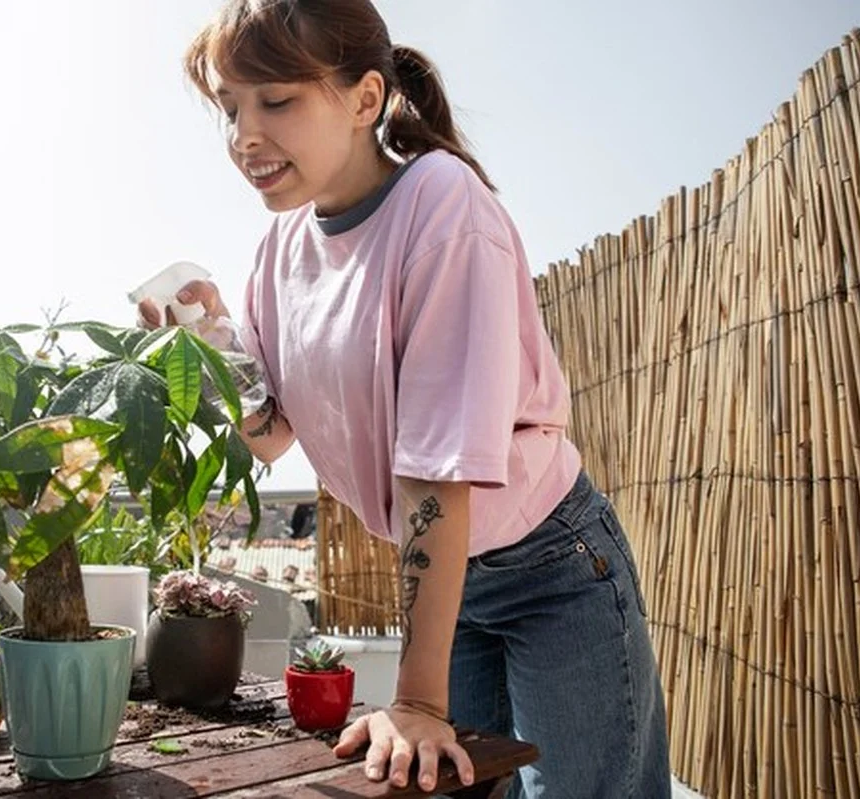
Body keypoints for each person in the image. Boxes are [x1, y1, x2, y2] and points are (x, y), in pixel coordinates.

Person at [140, 1, 671, 795]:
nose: (244, 136)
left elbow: (434, 473)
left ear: (364, 99)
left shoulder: (442, 207)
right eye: (230, 109)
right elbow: (271, 436)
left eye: (276, 100)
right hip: (448, 583)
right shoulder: (280, 248)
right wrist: (211, 342)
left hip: (551, 569)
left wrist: (418, 698)